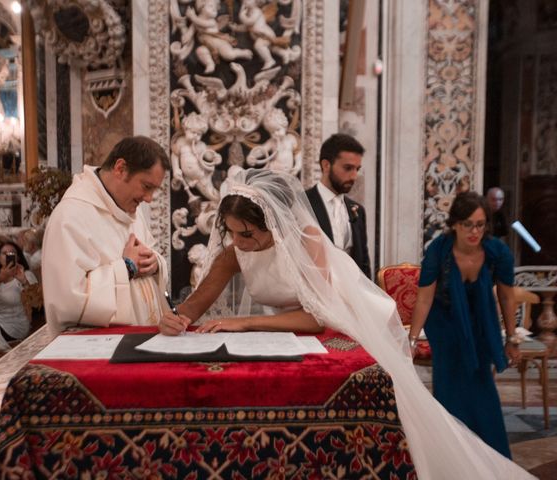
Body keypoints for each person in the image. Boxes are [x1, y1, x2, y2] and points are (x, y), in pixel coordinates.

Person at [159, 169, 533, 479]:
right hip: (293, 328)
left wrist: (242, 324)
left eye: (247, 233)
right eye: (233, 232)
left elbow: (315, 316)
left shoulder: (306, 241)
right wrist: (178, 318)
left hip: (348, 319)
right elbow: (198, 301)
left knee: (406, 411)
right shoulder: (236, 251)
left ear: (271, 222)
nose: (239, 241)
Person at [407, 192, 519, 458]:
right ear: (455, 224)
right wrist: (411, 341)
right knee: (450, 388)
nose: (474, 231)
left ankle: (489, 457)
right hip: (445, 324)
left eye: (480, 224)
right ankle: (452, 457)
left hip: (482, 323)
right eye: (468, 224)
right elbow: (424, 297)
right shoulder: (438, 250)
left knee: (483, 390)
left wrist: (512, 338)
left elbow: (506, 294)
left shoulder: (498, 252)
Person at [42, 136, 170, 334]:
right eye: (146, 186)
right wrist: (127, 267)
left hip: (137, 340)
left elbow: (146, 257)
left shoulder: (130, 210)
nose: (149, 198)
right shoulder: (70, 216)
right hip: (95, 350)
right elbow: (67, 301)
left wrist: (154, 264)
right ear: (120, 168)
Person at [305, 134, 371, 277]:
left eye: (357, 169)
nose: (354, 176)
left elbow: (364, 264)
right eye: (348, 168)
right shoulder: (302, 204)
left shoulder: (358, 211)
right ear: (326, 165)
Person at [0, 241, 37, 341]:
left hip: (14, 324)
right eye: (4, 253)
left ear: (17, 257)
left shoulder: (26, 275)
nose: (8, 256)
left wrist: (24, 281)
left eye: (12, 253)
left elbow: (36, 303)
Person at [246, 108, 301, 175]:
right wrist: (252, 156)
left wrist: (297, 166)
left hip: (288, 173)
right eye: (272, 132)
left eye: (278, 130)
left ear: (285, 126)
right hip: (275, 169)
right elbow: (262, 150)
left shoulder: (291, 139)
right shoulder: (272, 142)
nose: (275, 134)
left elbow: (298, 154)